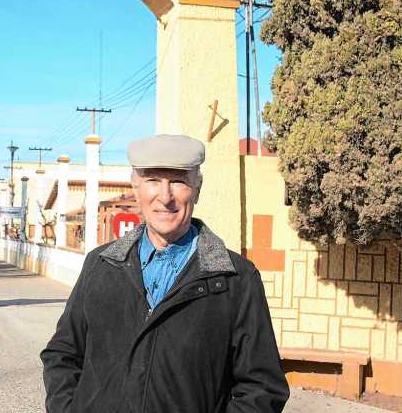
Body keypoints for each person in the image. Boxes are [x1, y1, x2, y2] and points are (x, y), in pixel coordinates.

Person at [41, 134, 289, 412]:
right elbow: (62, 354)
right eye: (153, 180)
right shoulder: (100, 265)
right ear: (136, 186)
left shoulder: (236, 280)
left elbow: (262, 387)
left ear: (197, 188)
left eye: (178, 181)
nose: (165, 196)